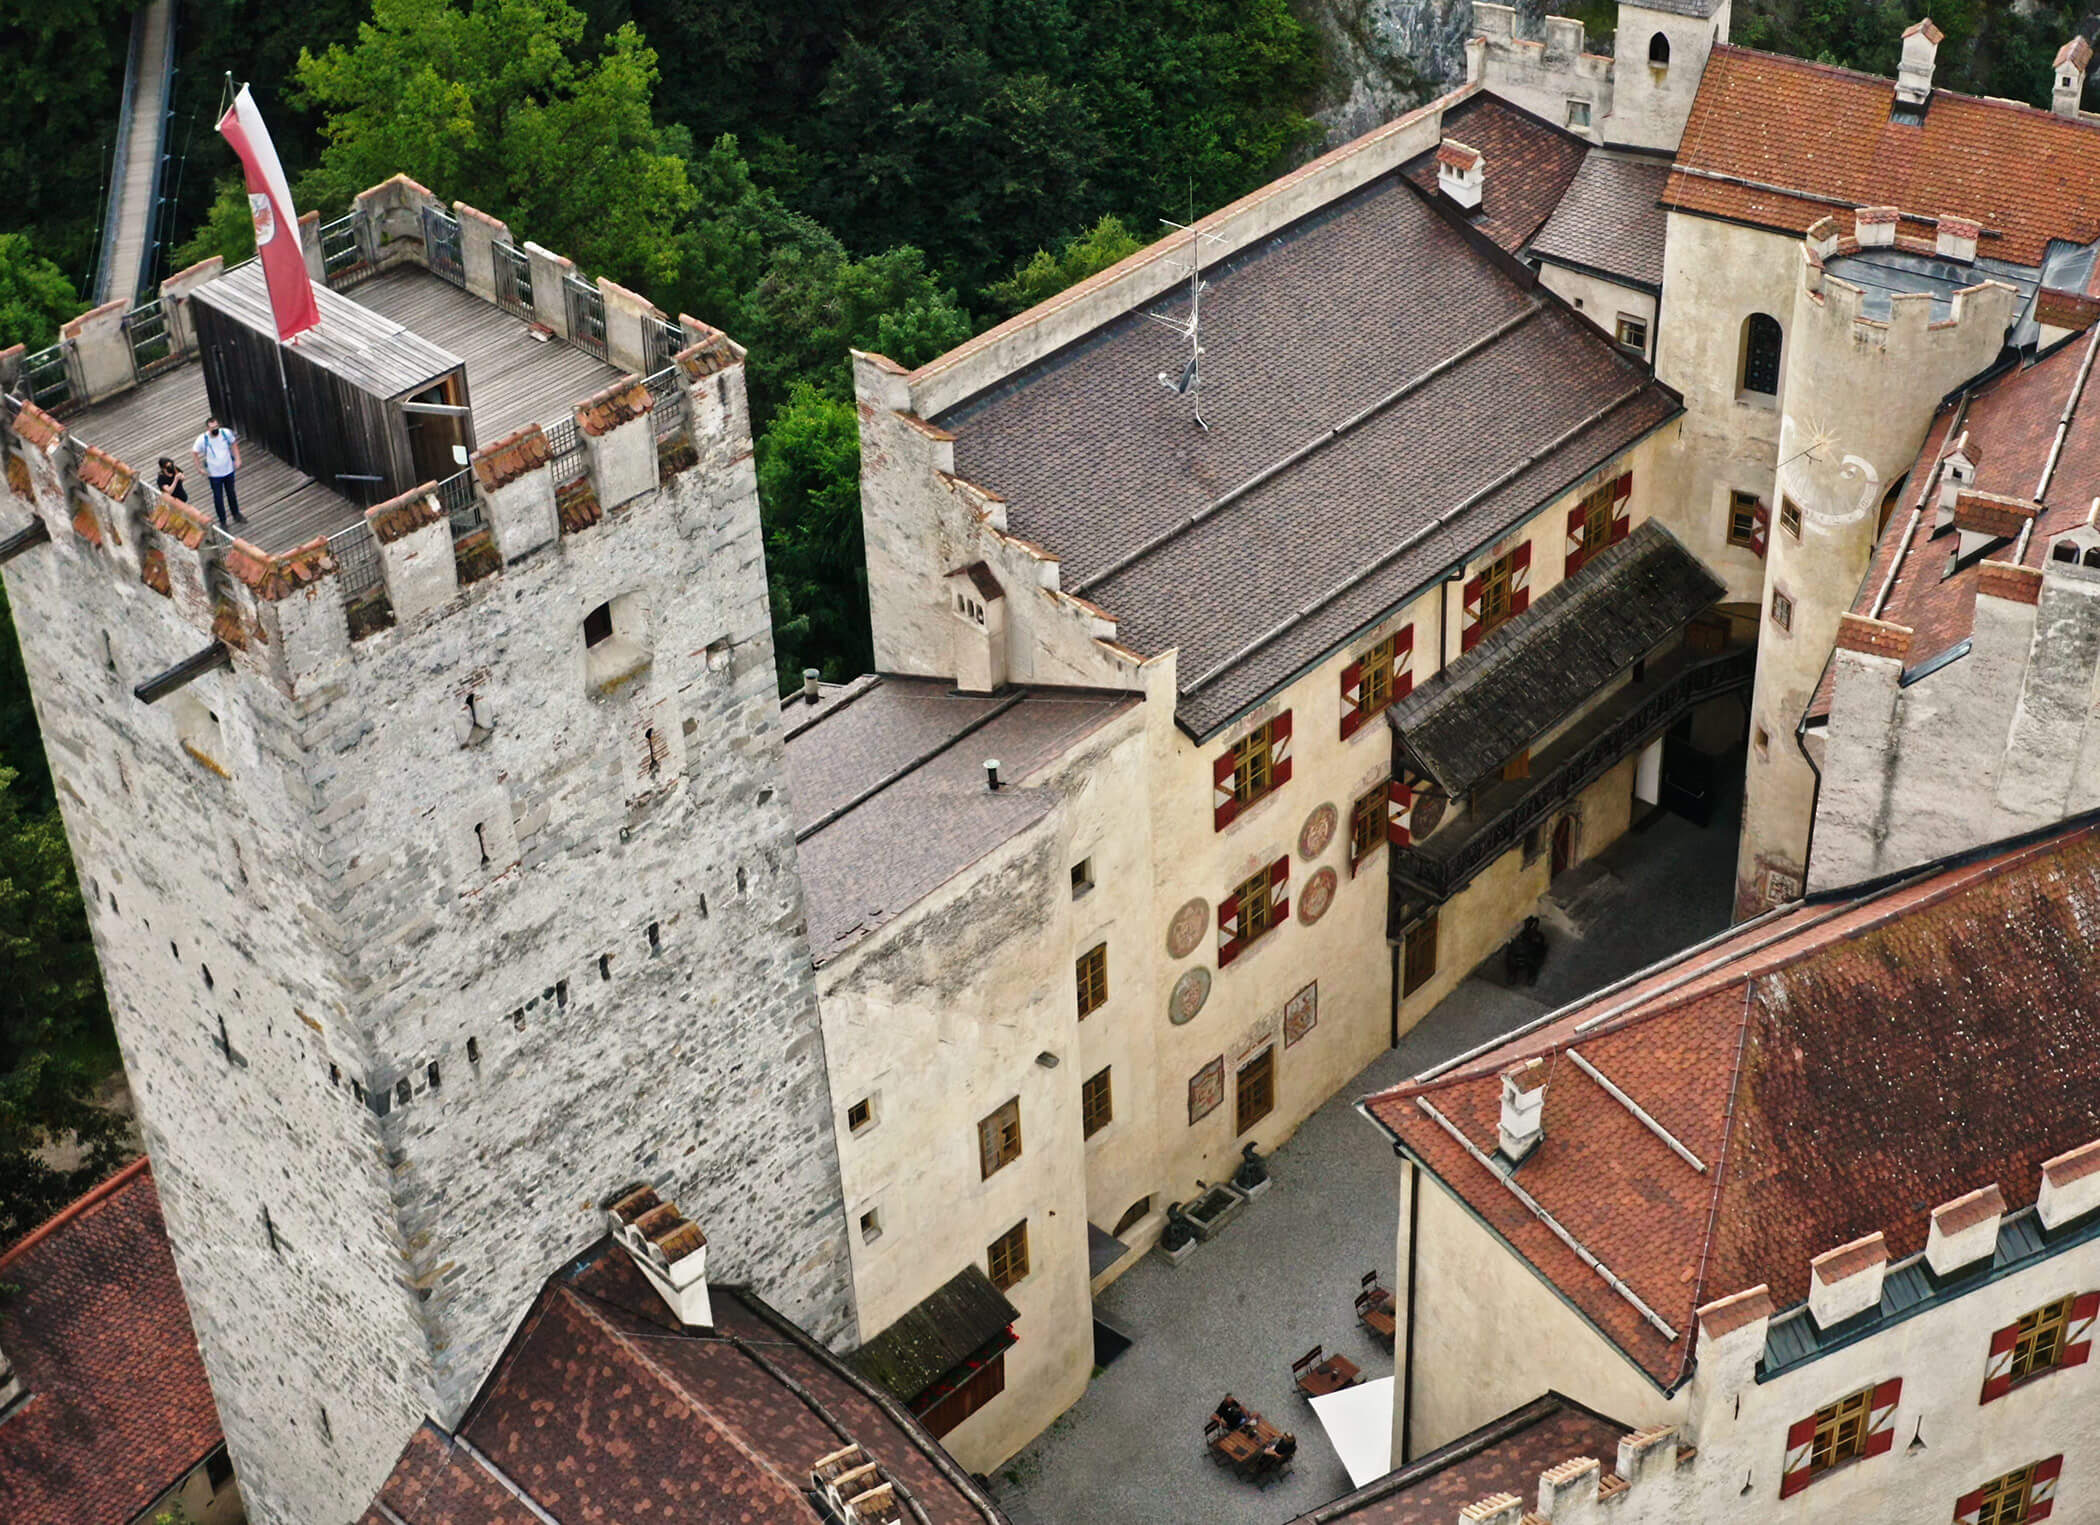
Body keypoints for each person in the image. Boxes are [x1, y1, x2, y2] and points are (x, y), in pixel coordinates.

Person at [191, 418, 245, 527]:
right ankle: (223, 521)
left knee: (231, 493)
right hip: (214, 474)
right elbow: (194, 452)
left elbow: (233, 444)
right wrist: (199, 468)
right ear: (208, 428)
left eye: (216, 427)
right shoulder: (203, 439)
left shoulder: (225, 433)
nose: (215, 429)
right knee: (218, 497)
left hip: (228, 470)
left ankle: (236, 514)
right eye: (212, 428)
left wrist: (237, 458)